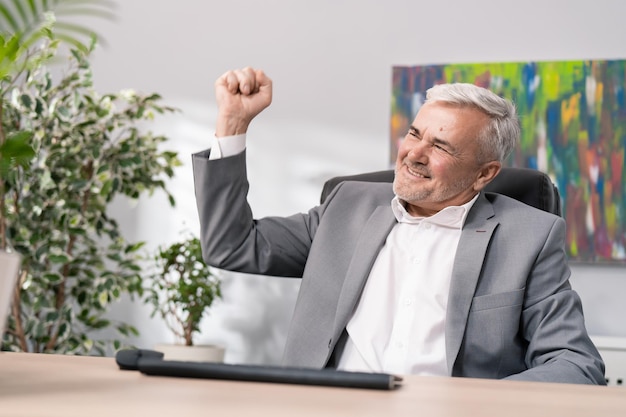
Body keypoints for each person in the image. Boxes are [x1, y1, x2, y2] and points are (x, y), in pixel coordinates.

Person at [192, 67, 605, 384]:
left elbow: (576, 364)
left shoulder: (529, 237)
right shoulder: (346, 207)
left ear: (484, 174)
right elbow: (232, 245)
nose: (414, 154)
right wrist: (232, 125)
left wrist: (475, 403)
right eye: (414, 134)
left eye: (440, 146)